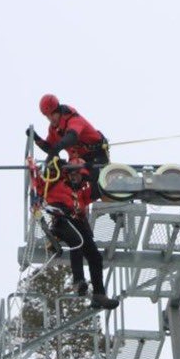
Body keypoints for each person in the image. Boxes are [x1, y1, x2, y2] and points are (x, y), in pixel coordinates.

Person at [29, 159, 118, 310]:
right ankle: (78, 281)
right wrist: (36, 168)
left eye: (78, 175)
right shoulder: (56, 185)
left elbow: (96, 189)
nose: (74, 177)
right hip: (61, 220)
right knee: (77, 241)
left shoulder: (81, 193)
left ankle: (99, 295)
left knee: (95, 257)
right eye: (72, 174)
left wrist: (93, 170)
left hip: (79, 223)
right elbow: (42, 180)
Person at [28, 93, 110, 194]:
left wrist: (56, 148)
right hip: (78, 161)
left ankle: (84, 198)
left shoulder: (74, 119)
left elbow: (72, 136)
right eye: (47, 116)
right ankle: (58, 202)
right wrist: (37, 139)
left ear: (58, 110)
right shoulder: (54, 129)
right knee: (61, 174)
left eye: (52, 115)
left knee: (82, 174)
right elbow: (51, 148)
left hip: (96, 157)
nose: (50, 119)